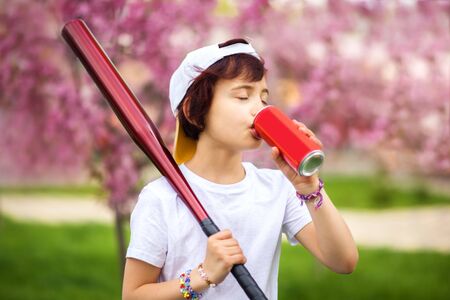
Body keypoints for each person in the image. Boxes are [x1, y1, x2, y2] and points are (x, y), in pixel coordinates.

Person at [122, 38, 358, 300]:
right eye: (243, 96)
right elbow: (133, 295)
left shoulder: (277, 187)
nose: (259, 108)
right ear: (192, 110)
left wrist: (311, 188)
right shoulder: (161, 198)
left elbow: (343, 261)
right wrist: (202, 276)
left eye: (263, 97)